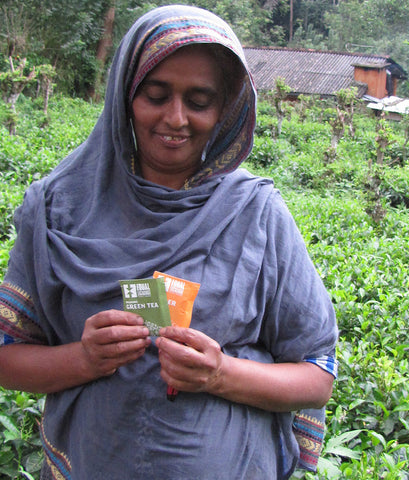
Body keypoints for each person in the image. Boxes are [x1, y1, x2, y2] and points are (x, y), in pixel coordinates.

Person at [0, 5, 338, 479]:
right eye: (155, 95)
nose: (175, 118)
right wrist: (83, 358)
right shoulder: (59, 209)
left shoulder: (257, 214)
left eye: (199, 101)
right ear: (124, 95)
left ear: (225, 109)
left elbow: (316, 376)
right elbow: (7, 358)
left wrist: (221, 374)